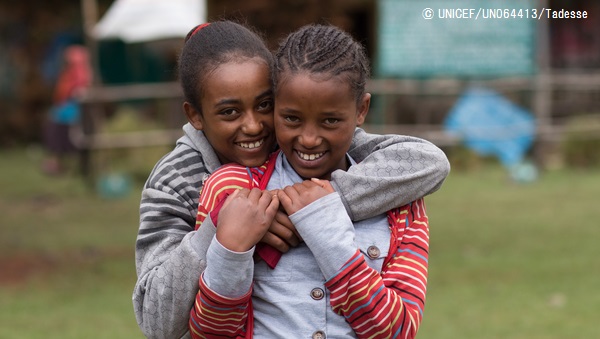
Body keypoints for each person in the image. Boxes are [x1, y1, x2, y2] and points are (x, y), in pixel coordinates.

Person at [134, 21, 449, 338]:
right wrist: (223, 232)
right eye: (230, 112)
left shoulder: (310, 138)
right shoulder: (181, 180)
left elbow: (427, 161)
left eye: (265, 105)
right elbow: (159, 323)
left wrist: (313, 207)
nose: (255, 126)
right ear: (196, 116)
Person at [42, 45, 92, 175]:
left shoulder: (80, 73)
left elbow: (79, 92)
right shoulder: (69, 73)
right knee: (55, 133)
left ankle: (58, 163)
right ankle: (56, 163)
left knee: (62, 135)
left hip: (71, 113)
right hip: (64, 112)